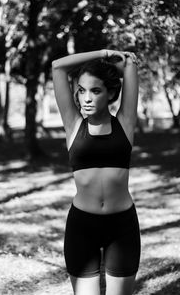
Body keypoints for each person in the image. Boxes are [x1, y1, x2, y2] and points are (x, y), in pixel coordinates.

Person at [52, 49, 141, 295]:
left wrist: (116, 62)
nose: (86, 98)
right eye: (81, 91)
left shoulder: (124, 122)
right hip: (82, 226)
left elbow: (130, 64)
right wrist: (102, 53)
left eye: (96, 90)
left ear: (111, 93)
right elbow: (58, 66)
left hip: (122, 227)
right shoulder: (73, 124)